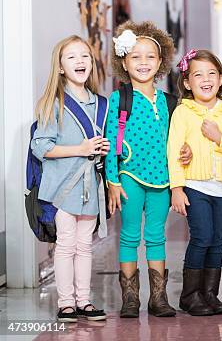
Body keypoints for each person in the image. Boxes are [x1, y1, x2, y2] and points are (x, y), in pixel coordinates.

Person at [31, 35, 109, 322]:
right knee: (65, 243)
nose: (80, 61)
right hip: (62, 187)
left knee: (85, 245)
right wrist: (81, 149)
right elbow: (40, 146)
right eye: (72, 57)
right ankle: (66, 303)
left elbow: (101, 147)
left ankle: (84, 300)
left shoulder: (101, 104)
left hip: (90, 187)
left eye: (85, 56)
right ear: (61, 67)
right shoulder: (54, 102)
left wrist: (103, 148)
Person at [105, 21, 177, 318]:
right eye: (136, 56)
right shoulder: (119, 99)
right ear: (124, 61)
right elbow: (111, 142)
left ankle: (158, 298)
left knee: (157, 236)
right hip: (129, 177)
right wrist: (112, 181)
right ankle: (131, 298)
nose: (143, 62)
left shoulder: (169, 101)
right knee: (130, 235)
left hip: (162, 179)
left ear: (161, 62)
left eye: (150, 57)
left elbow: (174, 140)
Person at [168, 49, 222, 316]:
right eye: (198, 74)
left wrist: (218, 137)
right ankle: (190, 296)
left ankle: (210, 294)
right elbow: (174, 150)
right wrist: (177, 188)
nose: (206, 79)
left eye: (212, 73)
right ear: (188, 82)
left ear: (221, 78)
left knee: (217, 240)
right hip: (195, 185)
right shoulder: (183, 112)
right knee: (201, 238)